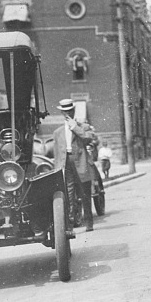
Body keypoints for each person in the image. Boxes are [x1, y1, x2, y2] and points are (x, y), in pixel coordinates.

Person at [52, 98, 96, 231]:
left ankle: (89, 222)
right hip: (66, 164)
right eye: (65, 112)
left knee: (85, 194)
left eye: (70, 111)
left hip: (81, 163)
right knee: (68, 195)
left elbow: (89, 137)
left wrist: (75, 127)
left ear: (74, 110)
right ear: (62, 113)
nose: (68, 114)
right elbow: (56, 154)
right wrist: (57, 169)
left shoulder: (83, 127)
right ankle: (69, 225)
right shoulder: (58, 132)